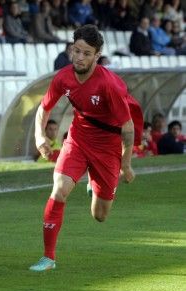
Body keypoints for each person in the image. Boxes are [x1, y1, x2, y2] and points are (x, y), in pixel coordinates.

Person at [29, 24, 142, 272]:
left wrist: (126, 165)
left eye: (86, 53)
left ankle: (94, 184)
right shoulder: (63, 77)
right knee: (59, 188)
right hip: (79, 138)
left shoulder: (109, 85)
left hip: (108, 146)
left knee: (100, 216)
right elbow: (44, 108)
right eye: (76, 51)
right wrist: (40, 137)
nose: (79, 57)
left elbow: (128, 128)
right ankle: (48, 258)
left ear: (97, 55)